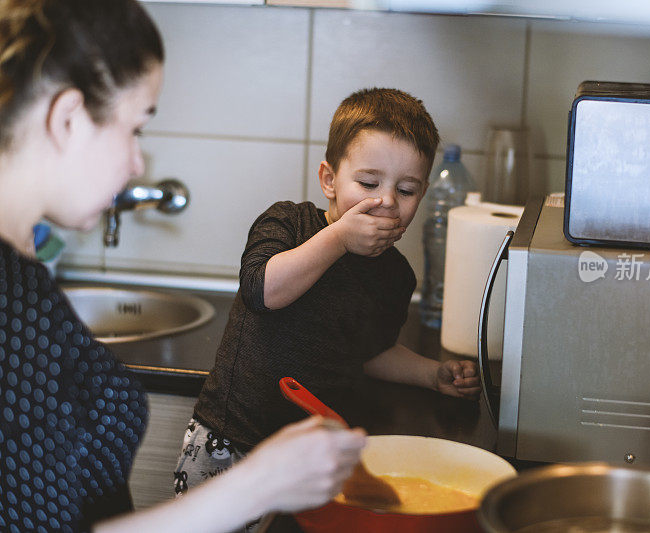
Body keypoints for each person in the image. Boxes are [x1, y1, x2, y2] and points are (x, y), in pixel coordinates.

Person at [0, 1, 366, 532]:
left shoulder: (22, 271)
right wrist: (259, 482)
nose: (136, 164)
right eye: (136, 129)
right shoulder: (10, 295)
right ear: (69, 118)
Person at [177, 87, 482, 495]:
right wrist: (338, 239)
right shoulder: (287, 222)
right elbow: (262, 291)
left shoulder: (395, 275)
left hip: (311, 458)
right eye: (369, 182)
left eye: (406, 190)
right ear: (329, 180)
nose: (386, 201)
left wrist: (432, 375)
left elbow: (372, 353)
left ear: (422, 194)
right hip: (232, 439)